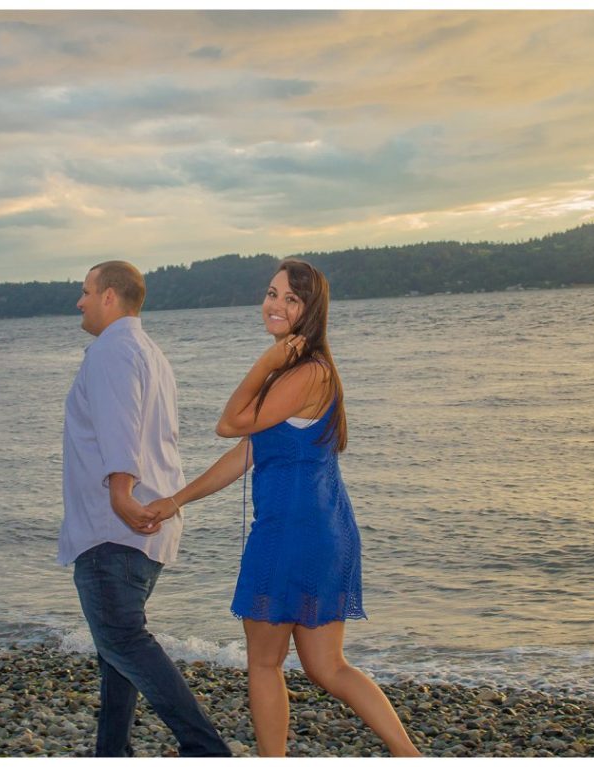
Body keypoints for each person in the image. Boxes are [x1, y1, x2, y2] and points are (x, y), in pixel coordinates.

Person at [144, 259, 421, 757]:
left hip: (290, 533)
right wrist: (175, 501)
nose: (275, 304)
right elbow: (248, 452)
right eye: (272, 293)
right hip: (324, 529)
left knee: (267, 664)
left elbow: (230, 424)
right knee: (327, 667)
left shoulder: (304, 372)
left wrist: (266, 363)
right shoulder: (308, 372)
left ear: (310, 310)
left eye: (291, 298)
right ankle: (412, 757)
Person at [57, 261, 230, 758]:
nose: (80, 301)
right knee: (116, 652)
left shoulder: (112, 351)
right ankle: (111, 752)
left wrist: (119, 495)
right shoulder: (149, 352)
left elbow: (121, 429)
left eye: (85, 291)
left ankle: (206, 749)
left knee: (124, 642)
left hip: (114, 527)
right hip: (143, 531)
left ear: (110, 296)